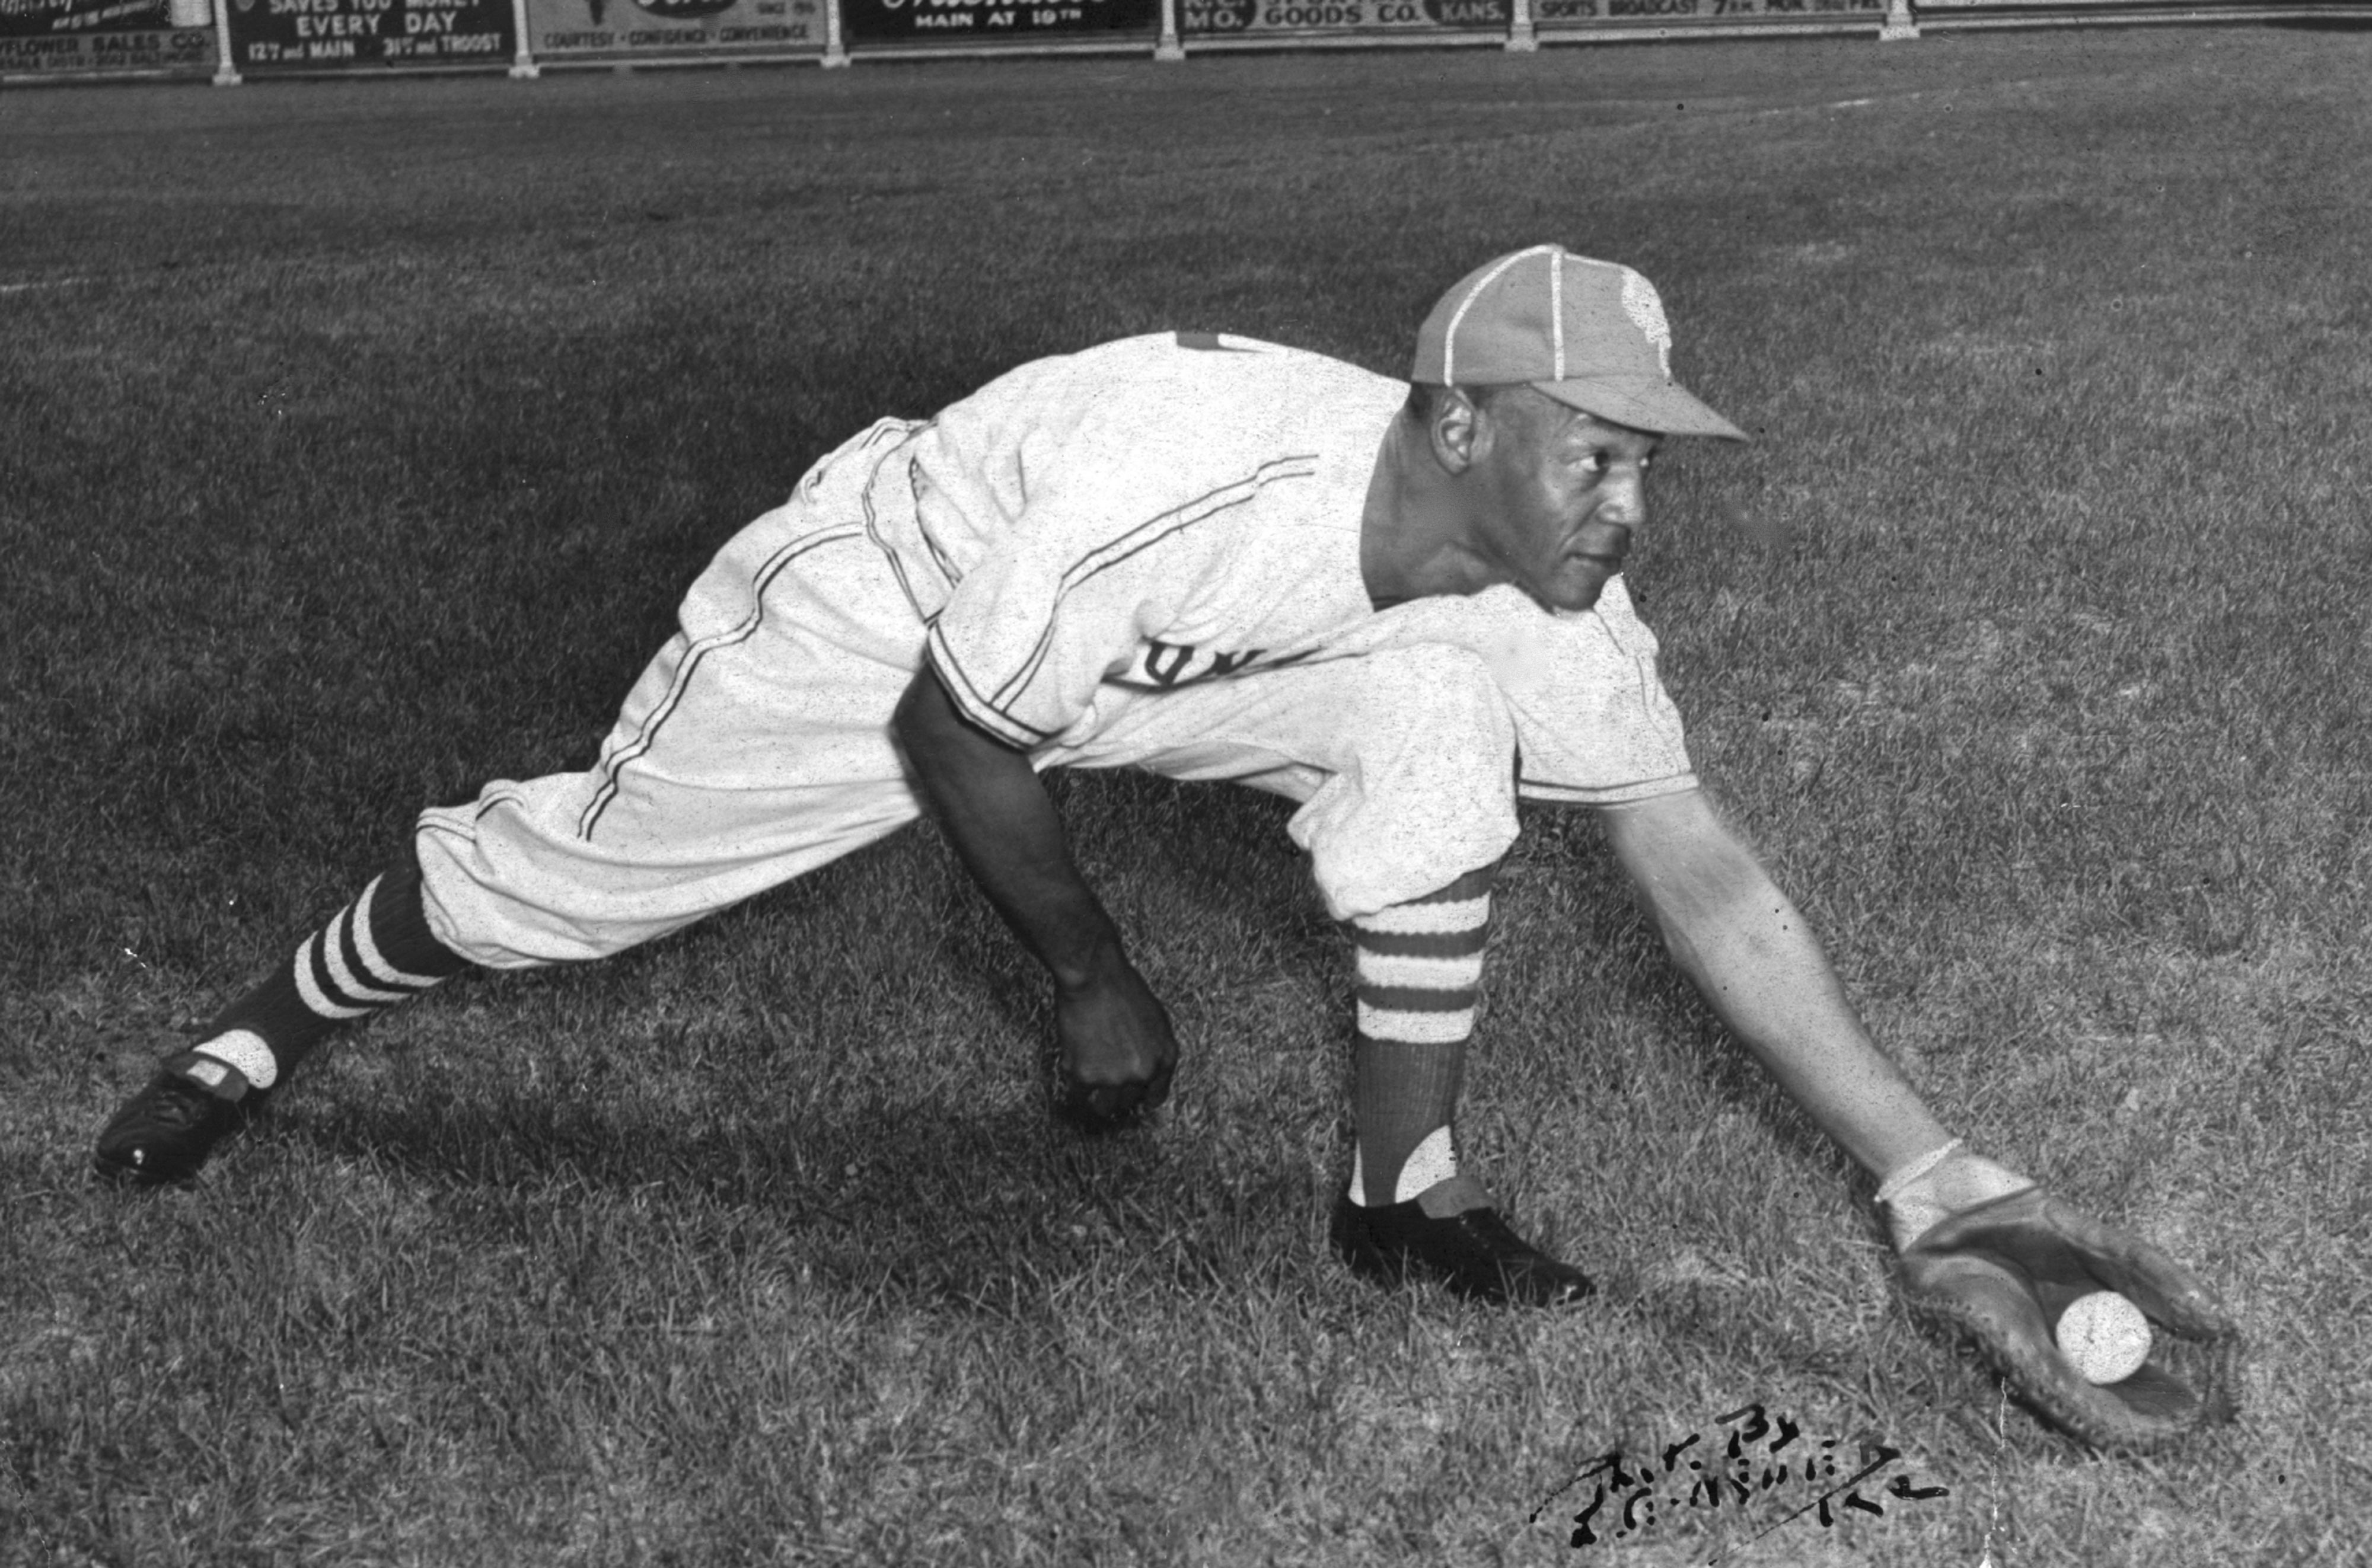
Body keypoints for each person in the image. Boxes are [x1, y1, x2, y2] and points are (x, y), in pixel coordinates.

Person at [93, 245, 2046, 1310]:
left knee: (1441, 720)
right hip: (908, 613)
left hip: (1193, 660)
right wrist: (1093, 977)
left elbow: (1695, 870)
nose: (1627, 505)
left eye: (1647, 461)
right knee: (574, 884)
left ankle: (1404, 1192)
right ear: (1456, 421)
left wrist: (1931, 1175)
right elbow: (964, 727)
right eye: (1591, 454)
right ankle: (248, 1039)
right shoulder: (1188, 486)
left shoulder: (1544, 595)